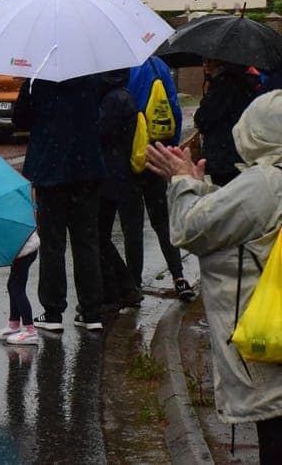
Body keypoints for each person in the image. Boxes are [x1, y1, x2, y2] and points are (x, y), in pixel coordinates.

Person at [145, 90, 282, 462]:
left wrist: (183, 182)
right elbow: (241, 226)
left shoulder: (265, 183)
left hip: (268, 338)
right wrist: (202, 188)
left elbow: (193, 229)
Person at [13, 75, 106, 332]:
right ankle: (91, 311)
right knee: (87, 241)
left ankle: (53, 312)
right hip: (86, 168)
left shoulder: (38, 81)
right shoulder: (90, 78)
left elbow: (20, 121)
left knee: (53, 245)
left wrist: (26, 89)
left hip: (50, 170)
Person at [127, 56, 194, 300]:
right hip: (157, 149)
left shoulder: (122, 67)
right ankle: (179, 277)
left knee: (132, 224)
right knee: (161, 219)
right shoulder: (160, 66)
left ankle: (134, 283)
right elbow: (173, 106)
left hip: (131, 153)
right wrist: (170, 144)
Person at [96, 69, 145, 311]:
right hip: (116, 174)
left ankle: (122, 290)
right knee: (100, 236)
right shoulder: (121, 95)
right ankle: (122, 289)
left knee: (99, 236)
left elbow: (101, 132)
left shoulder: (114, 99)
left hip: (109, 176)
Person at [194, 58, 257, 186]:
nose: (204, 65)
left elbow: (204, 118)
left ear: (219, 62)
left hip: (224, 156)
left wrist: (207, 96)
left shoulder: (222, 84)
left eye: (208, 61)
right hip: (242, 151)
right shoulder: (243, 80)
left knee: (225, 197)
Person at [0, 230, 41, 346]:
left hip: (24, 249)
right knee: (12, 285)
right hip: (20, 249)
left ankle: (30, 330)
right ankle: (14, 324)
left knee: (17, 287)